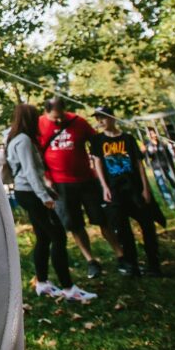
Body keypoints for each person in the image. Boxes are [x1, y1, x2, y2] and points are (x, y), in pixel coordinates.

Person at [6, 105, 95, 303]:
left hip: (28, 192)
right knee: (58, 236)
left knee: (43, 238)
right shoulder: (24, 141)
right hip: (31, 194)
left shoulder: (15, 139)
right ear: (29, 119)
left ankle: (43, 283)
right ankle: (69, 288)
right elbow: (29, 172)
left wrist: (47, 191)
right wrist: (43, 196)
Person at [37, 96, 121, 278]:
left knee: (102, 218)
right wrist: (46, 178)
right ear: (46, 112)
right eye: (55, 118)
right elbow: (37, 155)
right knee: (74, 224)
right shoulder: (39, 125)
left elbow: (97, 142)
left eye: (61, 116)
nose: (59, 121)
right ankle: (91, 260)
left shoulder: (78, 121)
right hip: (61, 185)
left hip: (86, 180)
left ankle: (120, 254)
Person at [89, 107, 162, 277]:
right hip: (114, 190)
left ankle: (153, 264)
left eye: (103, 118)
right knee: (122, 229)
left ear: (113, 118)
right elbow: (98, 164)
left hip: (134, 189)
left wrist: (145, 188)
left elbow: (139, 164)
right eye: (98, 118)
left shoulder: (128, 139)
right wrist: (104, 187)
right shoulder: (97, 141)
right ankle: (132, 265)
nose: (100, 121)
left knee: (147, 225)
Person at [145, 128, 175, 209]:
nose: (153, 135)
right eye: (151, 134)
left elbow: (169, 156)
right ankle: (170, 203)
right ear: (148, 135)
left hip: (167, 166)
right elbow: (146, 158)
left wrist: (174, 168)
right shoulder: (147, 145)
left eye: (154, 133)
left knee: (174, 184)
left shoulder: (162, 143)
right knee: (163, 186)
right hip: (157, 168)